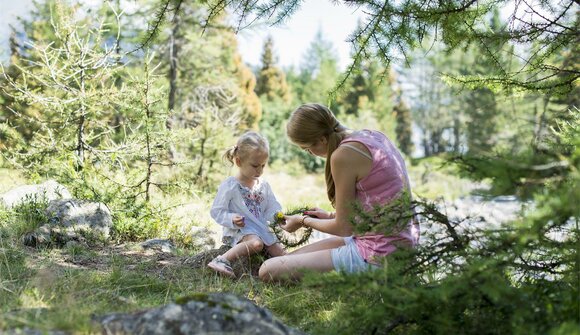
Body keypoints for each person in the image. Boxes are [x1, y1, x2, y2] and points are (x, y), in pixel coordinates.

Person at [258, 103, 419, 282]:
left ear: (321, 139)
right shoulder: (373, 136)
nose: (310, 153)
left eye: (307, 148)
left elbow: (343, 228)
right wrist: (329, 215)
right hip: (394, 246)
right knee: (283, 261)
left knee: (267, 270)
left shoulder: (343, 155)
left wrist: (303, 221)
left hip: (379, 254)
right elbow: (376, 204)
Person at [208, 131, 286, 278]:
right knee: (256, 244)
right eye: (255, 165)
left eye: (263, 165)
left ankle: (288, 273)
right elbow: (217, 211)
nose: (260, 170)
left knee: (280, 252)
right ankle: (221, 260)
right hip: (241, 228)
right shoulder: (231, 185)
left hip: (260, 226)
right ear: (238, 162)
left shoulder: (263, 185)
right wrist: (231, 218)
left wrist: (278, 216)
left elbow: (271, 206)